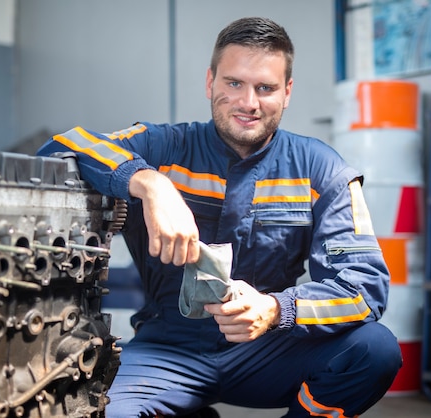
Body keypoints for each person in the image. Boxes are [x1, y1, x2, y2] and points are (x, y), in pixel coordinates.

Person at [38, 16, 401, 418]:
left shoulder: (321, 170)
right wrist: (149, 183)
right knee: (104, 411)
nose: (249, 102)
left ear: (287, 92)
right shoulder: (164, 148)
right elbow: (60, 147)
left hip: (266, 348)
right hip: (167, 349)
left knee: (375, 350)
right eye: (234, 83)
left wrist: (277, 309)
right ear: (210, 82)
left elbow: (366, 288)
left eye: (265, 88)